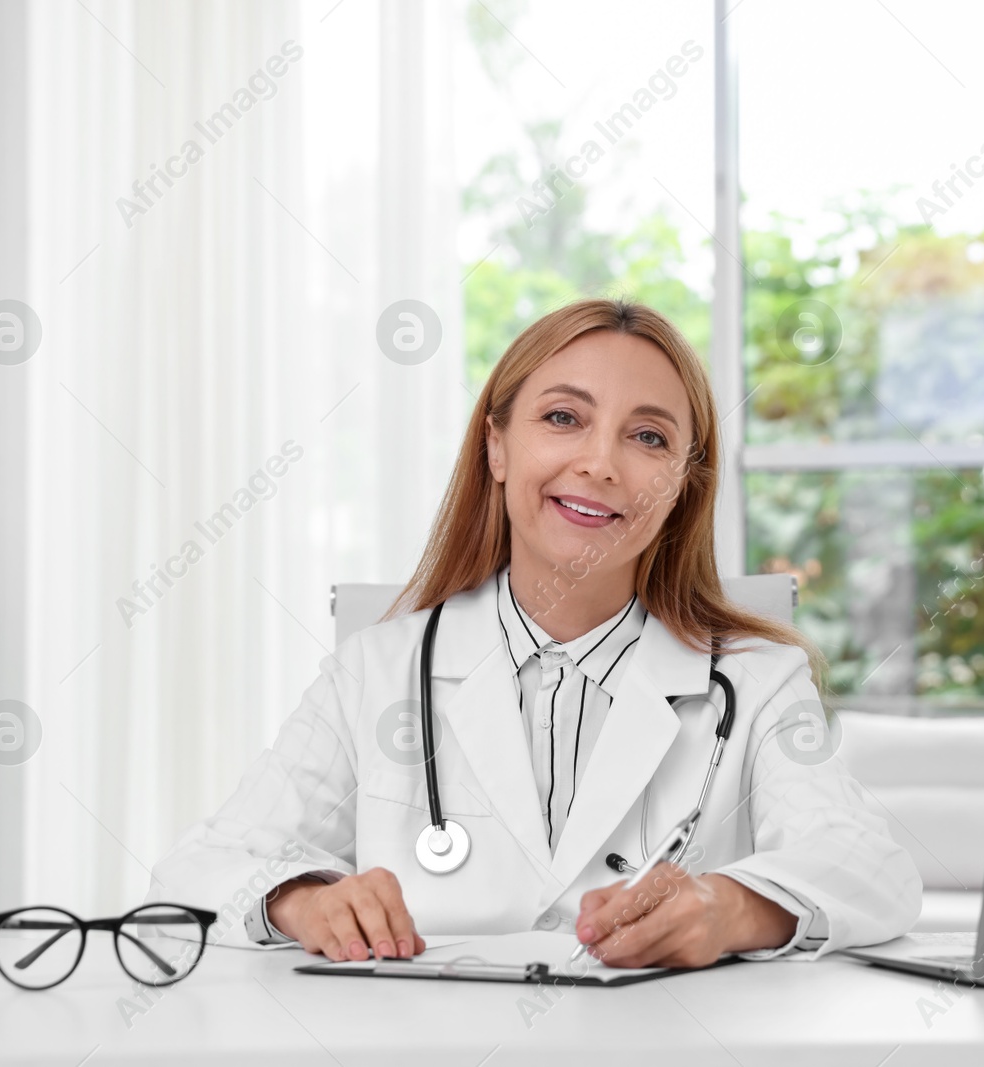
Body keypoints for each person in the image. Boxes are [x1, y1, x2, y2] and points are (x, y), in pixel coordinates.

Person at [147, 298, 922, 968]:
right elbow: (198, 866)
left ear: (684, 485)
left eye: (647, 437)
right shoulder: (375, 671)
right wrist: (301, 901)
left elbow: (875, 871)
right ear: (496, 445)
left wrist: (730, 909)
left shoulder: (755, 680)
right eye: (563, 418)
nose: (600, 462)